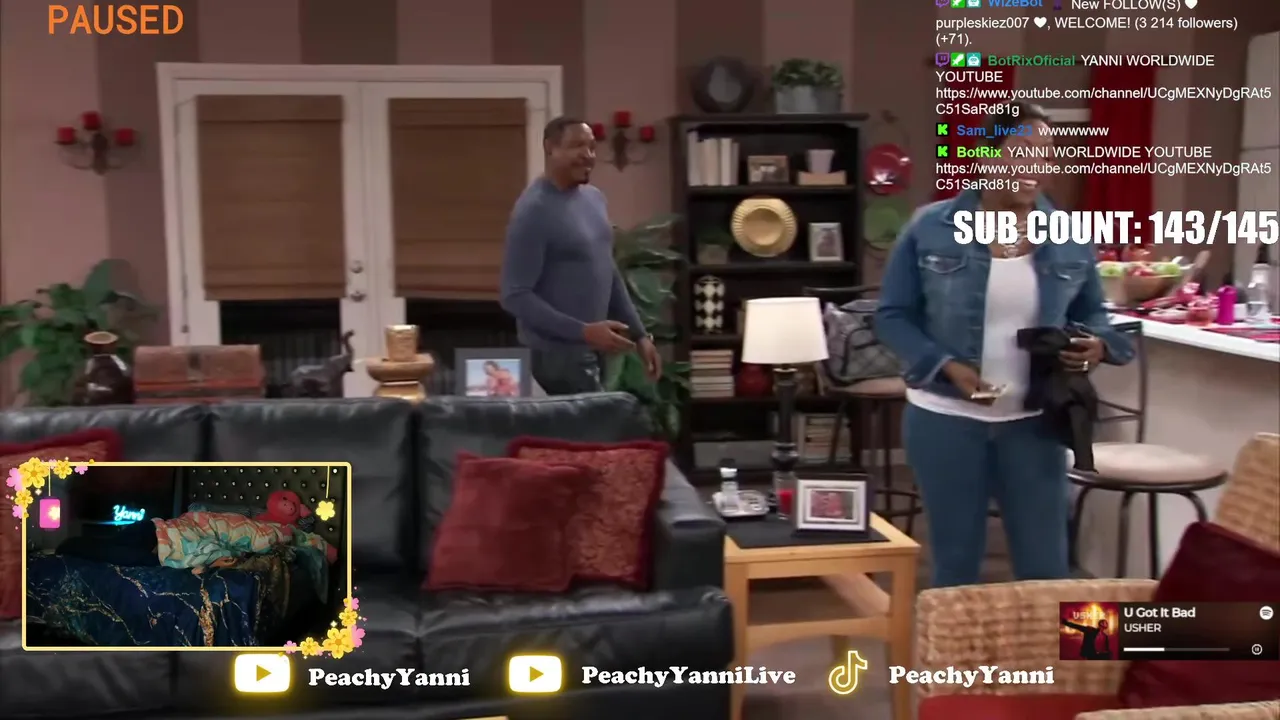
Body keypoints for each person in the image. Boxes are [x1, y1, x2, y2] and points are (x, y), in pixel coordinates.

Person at [874, 102, 1134, 588]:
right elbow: (891, 316)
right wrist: (947, 366)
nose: (1037, 165)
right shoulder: (930, 227)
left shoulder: (1070, 236)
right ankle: (957, 643)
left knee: (1047, 570)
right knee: (956, 568)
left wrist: (1097, 342)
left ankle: (1054, 644)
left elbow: (1094, 315)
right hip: (946, 420)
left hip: (1035, 424)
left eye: (1047, 155)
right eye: (1022, 151)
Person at [499, 116, 661, 394]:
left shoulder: (594, 199)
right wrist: (583, 331)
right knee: (600, 421)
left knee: (603, 420)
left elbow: (607, 269)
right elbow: (514, 295)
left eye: (592, 147)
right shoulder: (533, 211)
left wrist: (640, 335)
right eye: (577, 146)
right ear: (550, 148)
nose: (588, 155)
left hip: (594, 348)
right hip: (556, 356)